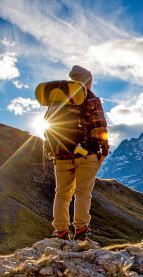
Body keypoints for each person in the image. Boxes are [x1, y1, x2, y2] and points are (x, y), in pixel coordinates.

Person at [44, 65, 108, 241]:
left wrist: (51, 150)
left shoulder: (58, 99)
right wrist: (104, 150)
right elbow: (100, 125)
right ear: (87, 81)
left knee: (62, 194)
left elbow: (48, 126)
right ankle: (80, 234)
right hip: (86, 153)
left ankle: (61, 233)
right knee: (82, 193)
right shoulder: (91, 98)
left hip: (62, 153)